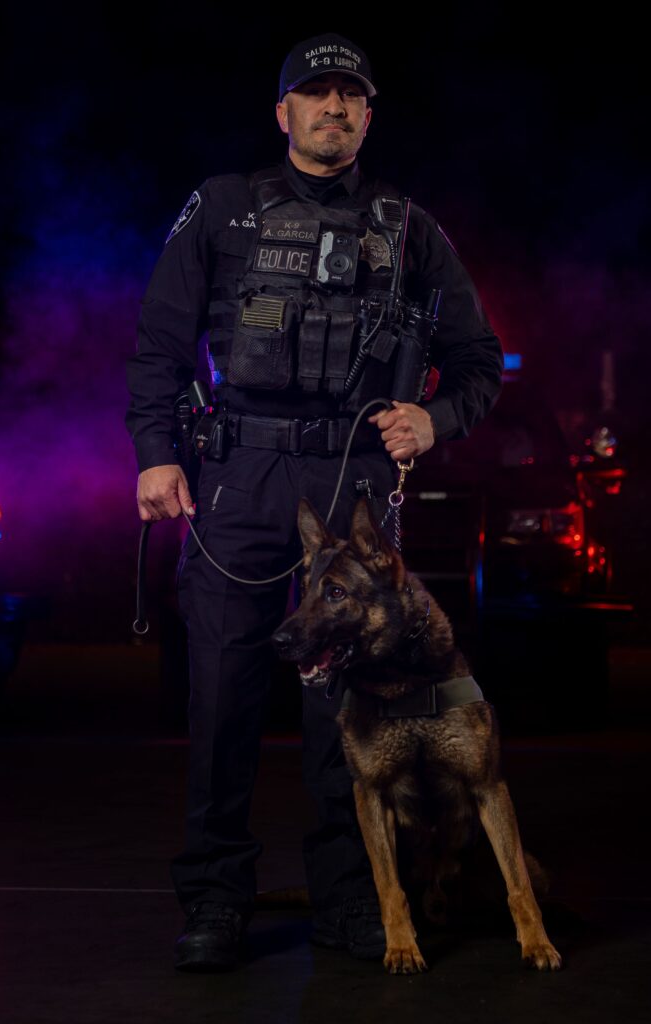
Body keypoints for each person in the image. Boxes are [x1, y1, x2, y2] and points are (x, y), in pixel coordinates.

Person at [125, 32, 504, 972]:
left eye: (350, 95)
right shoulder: (221, 209)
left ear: (368, 115)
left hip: (353, 490)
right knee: (222, 703)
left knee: (352, 717)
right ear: (283, 111)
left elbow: (477, 361)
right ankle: (215, 902)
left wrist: (435, 417)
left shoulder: (408, 226)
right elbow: (160, 349)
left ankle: (351, 904)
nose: (332, 108)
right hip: (239, 481)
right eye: (315, 93)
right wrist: (154, 455)